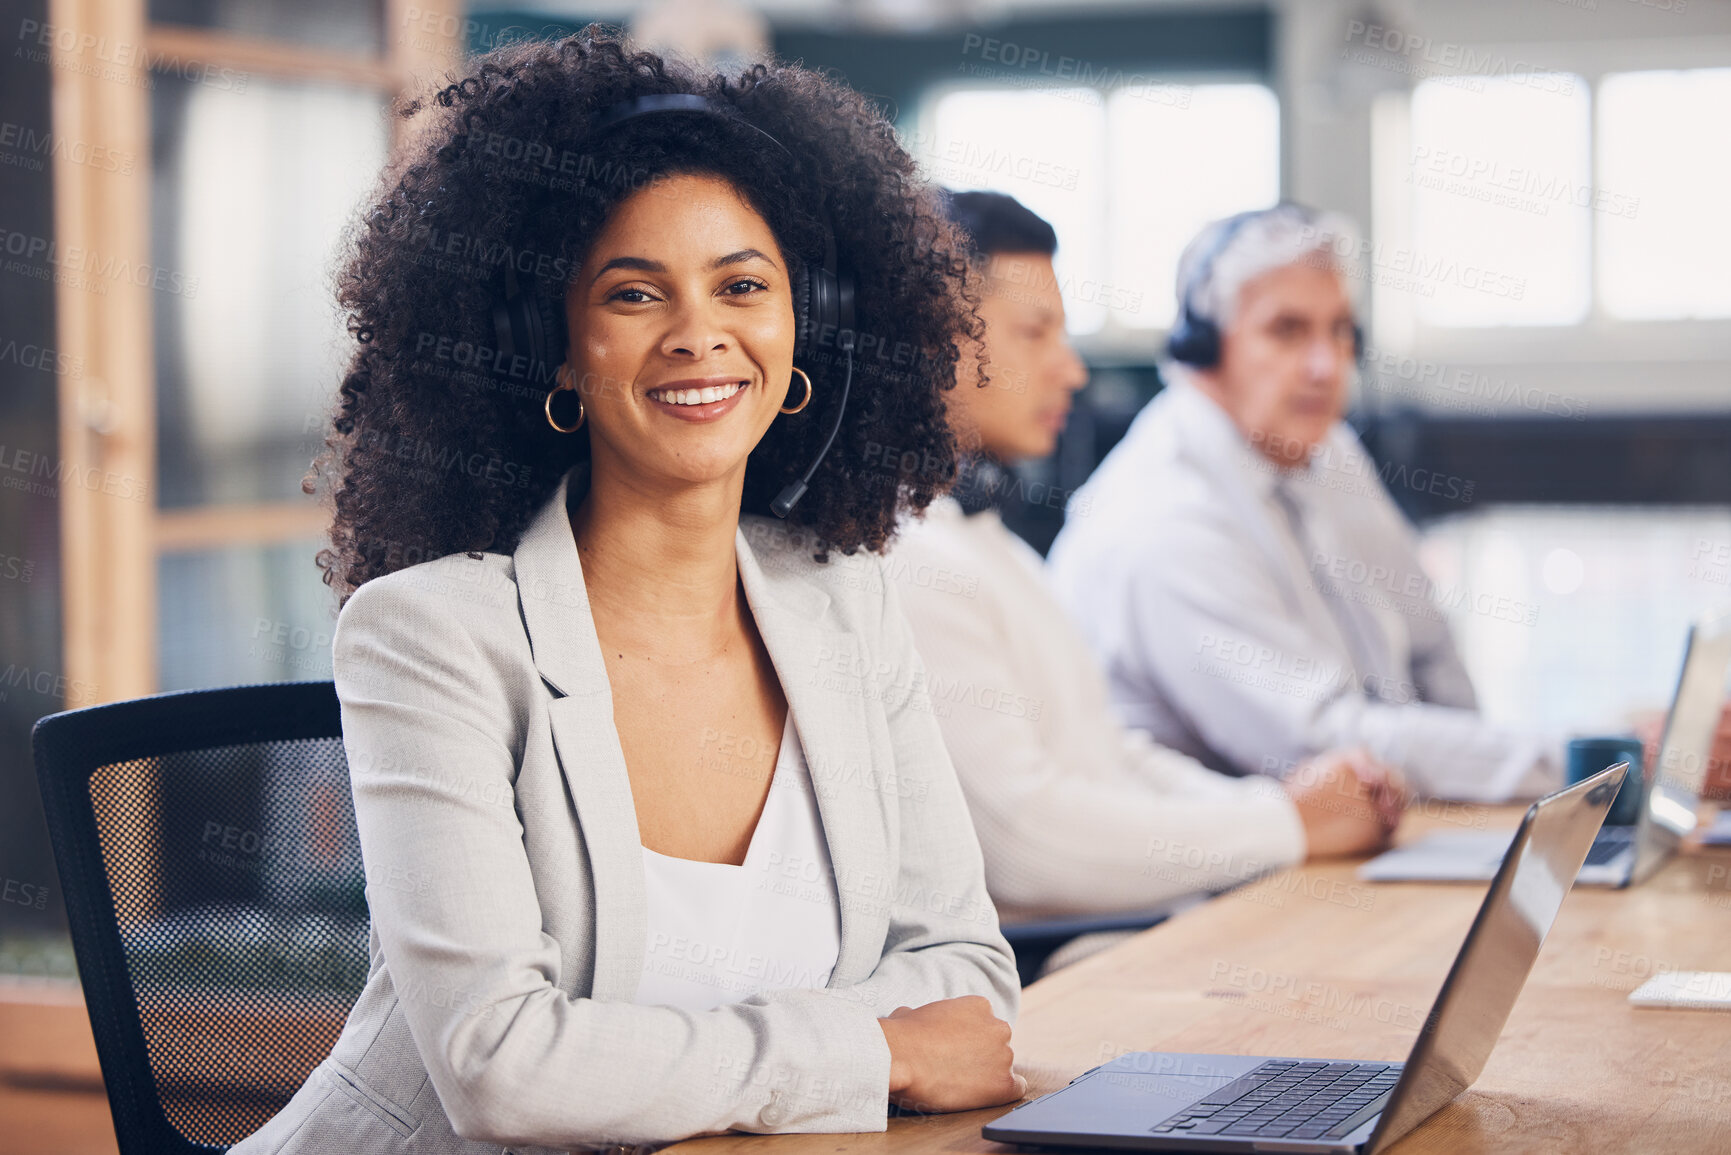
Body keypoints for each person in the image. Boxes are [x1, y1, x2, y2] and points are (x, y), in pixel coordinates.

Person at [231, 31, 1023, 1155]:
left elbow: (968, 975)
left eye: (742, 285)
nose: (700, 334)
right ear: (552, 347)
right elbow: (504, 1070)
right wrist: (877, 1052)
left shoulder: (842, 601)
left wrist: (646, 1064)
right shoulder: (432, 638)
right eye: (635, 293)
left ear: (807, 324)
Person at [883, 191, 1405, 927]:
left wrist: (1287, 809)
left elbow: (1107, 754)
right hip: (1061, 963)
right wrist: (1285, 823)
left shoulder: (988, 547)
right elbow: (1025, 845)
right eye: (1035, 333)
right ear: (928, 343)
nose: (1070, 371)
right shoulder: (907, 565)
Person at [1046, 203, 1557, 802]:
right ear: (1204, 348)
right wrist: (1571, 760)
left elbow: (1430, 649)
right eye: (1287, 330)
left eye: (1341, 331)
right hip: (1207, 882)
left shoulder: (1325, 450)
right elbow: (1322, 748)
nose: (1325, 365)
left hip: (1352, 845)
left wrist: (1513, 798)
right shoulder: (1162, 519)